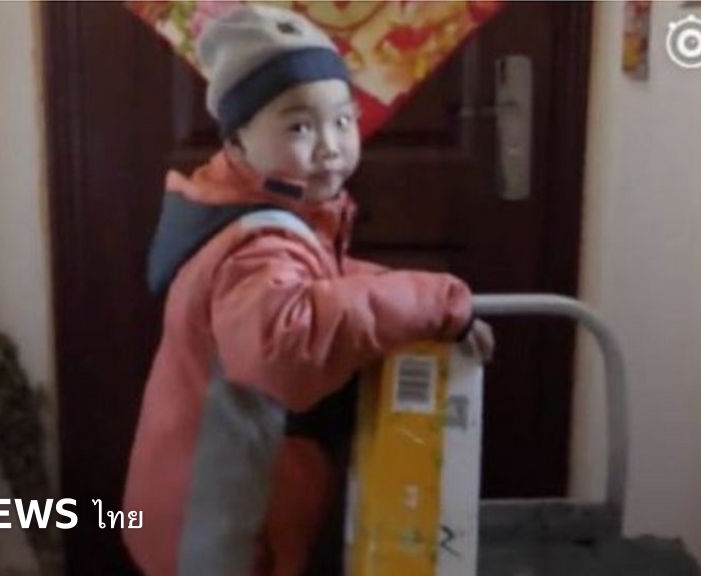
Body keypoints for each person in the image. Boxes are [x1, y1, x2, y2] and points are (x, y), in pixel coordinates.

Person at [122, 5, 494, 575]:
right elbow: (291, 344)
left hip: (201, 505)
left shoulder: (246, 209)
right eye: (299, 126)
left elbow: (321, 281)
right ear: (238, 140)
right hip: (219, 532)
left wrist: (411, 297)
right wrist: (434, 302)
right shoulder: (256, 246)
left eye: (343, 121)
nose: (330, 146)